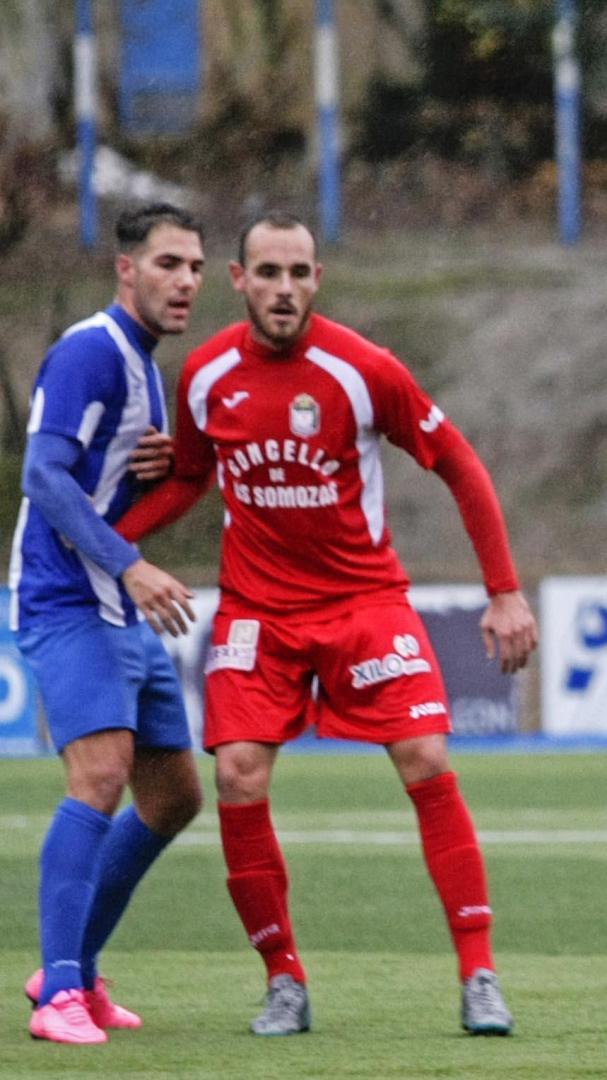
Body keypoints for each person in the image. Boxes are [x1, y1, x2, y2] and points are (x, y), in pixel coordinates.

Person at [113, 210, 539, 1037]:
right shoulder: (203, 375)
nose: (283, 289)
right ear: (238, 281)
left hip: (362, 604)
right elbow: (192, 478)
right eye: (267, 273)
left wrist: (505, 590)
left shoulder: (363, 369)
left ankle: (479, 974)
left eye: (299, 274)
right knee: (237, 772)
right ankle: (284, 981)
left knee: (424, 755)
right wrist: (109, 543)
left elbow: (458, 463)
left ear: (318, 281)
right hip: (257, 613)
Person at [10, 203, 206, 1044]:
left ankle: (71, 970)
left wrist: (134, 480)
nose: (185, 281)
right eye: (168, 263)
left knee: (172, 796)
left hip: (114, 600)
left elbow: (90, 483)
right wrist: (130, 559)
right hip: (65, 595)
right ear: (127, 269)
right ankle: (59, 996)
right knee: (99, 775)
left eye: (195, 266)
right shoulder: (92, 350)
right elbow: (43, 477)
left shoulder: (142, 365)